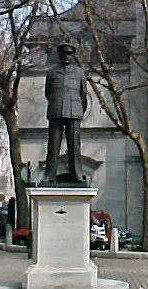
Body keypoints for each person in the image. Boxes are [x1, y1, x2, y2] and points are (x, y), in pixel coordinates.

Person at [43, 42, 87, 183]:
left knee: (74, 145)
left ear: (73, 55)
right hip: (56, 110)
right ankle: (49, 174)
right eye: (63, 53)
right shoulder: (51, 72)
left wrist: (79, 110)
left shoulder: (79, 72)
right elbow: (48, 93)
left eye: (69, 53)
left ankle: (77, 174)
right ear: (59, 55)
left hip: (74, 112)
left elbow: (83, 94)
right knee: (53, 145)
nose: (66, 56)